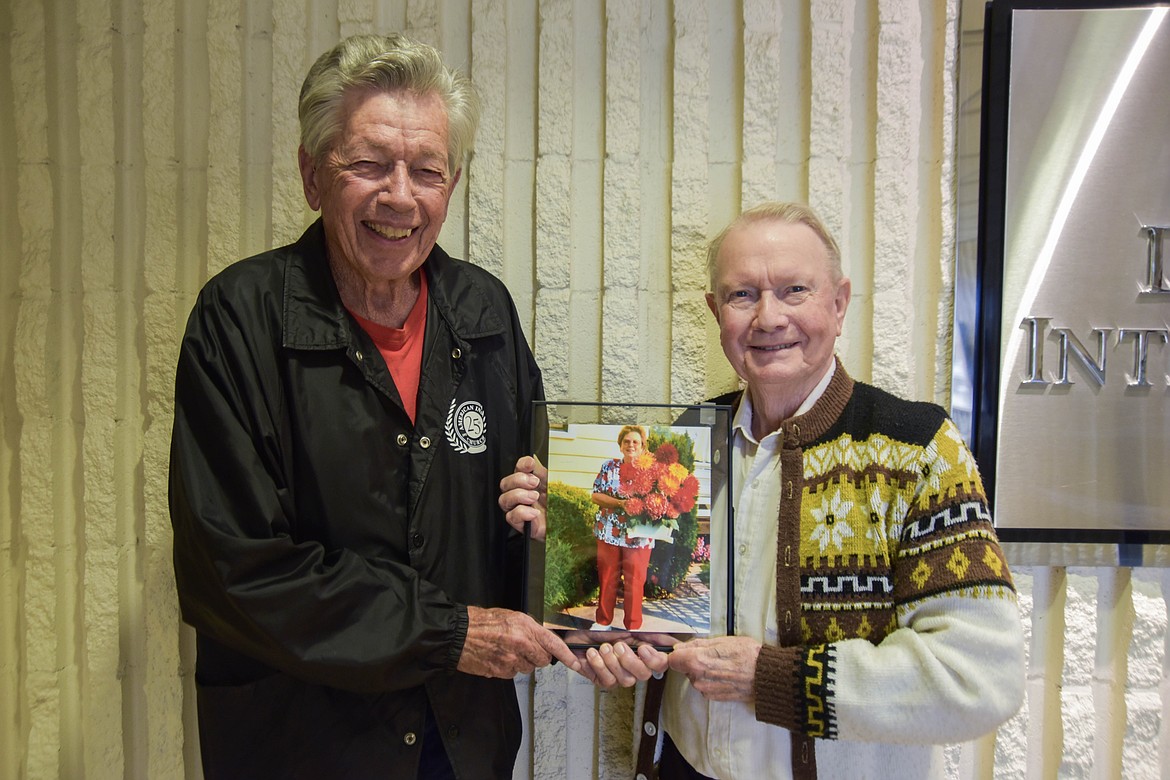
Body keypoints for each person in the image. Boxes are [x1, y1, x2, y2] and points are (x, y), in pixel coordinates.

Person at [168, 33, 580, 780]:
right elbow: (233, 570)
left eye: (426, 169)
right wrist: (445, 632)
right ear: (311, 175)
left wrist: (563, 544)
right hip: (302, 743)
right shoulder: (240, 320)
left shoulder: (483, 311)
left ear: (451, 185)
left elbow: (524, 523)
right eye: (368, 165)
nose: (400, 195)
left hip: (461, 738)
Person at [503, 202, 1026, 779]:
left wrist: (770, 678)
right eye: (742, 295)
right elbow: (656, 591)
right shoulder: (688, 439)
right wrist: (572, 529)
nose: (769, 318)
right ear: (715, 312)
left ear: (839, 302)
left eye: (795, 290)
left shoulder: (918, 450)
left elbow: (980, 676)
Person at [590, 425, 655, 630]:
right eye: (626, 441)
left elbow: (661, 501)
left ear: (643, 447)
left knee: (635, 582)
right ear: (620, 446)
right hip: (608, 531)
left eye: (636, 442)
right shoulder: (608, 467)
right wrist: (620, 504)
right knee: (608, 577)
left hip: (639, 536)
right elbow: (595, 495)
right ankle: (603, 622)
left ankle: (633, 626)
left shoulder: (651, 471)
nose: (631, 445)